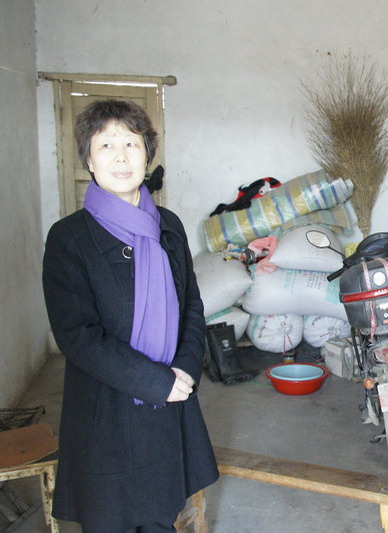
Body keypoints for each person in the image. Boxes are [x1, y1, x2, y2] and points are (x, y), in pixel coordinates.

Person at [42, 100, 219, 532]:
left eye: (131, 144)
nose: (121, 157)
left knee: (161, 516)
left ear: (147, 155)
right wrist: (156, 382)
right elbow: (77, 335)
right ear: (88, 159)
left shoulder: (169, 227)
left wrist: (184, 369)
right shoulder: (69, 238)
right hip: (105, 417)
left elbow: (191, 306)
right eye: (106, 145)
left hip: (168, 409)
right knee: (109, 520)